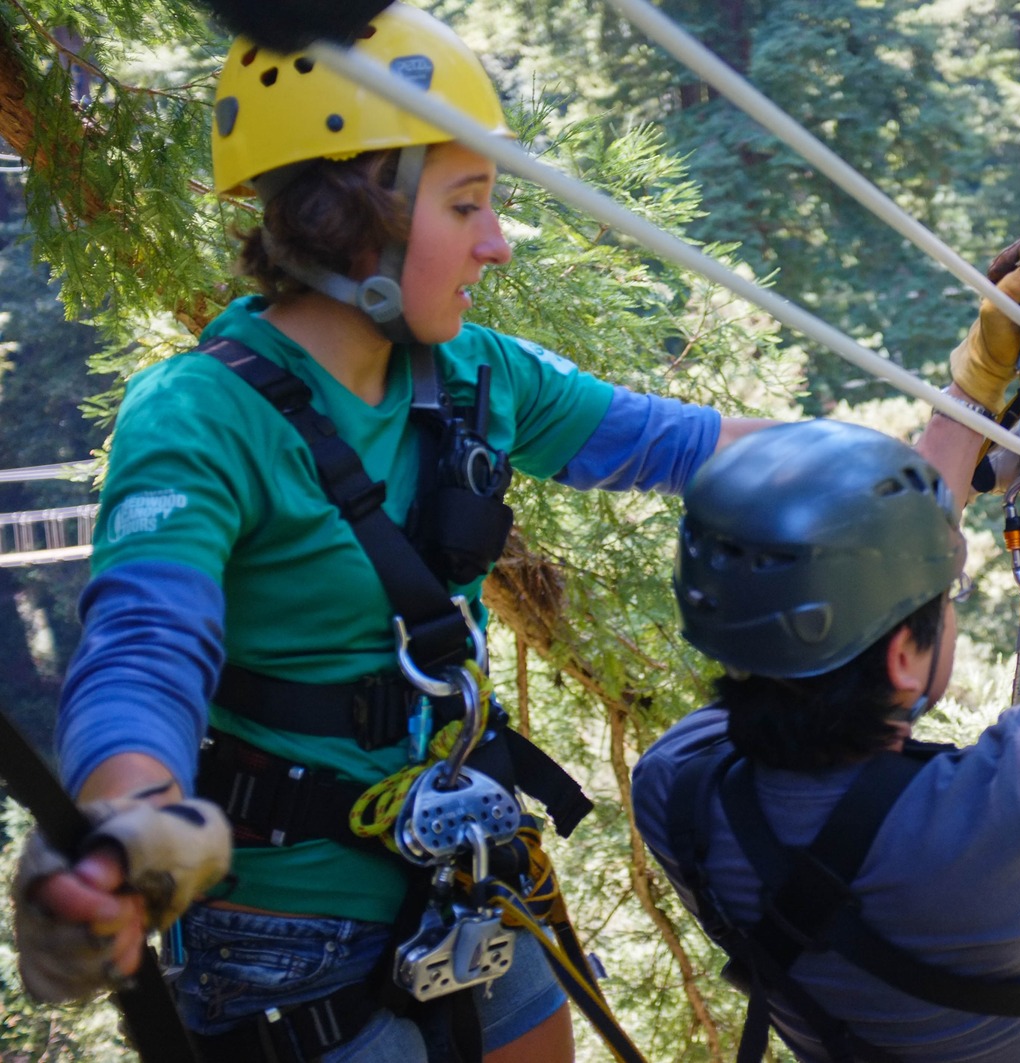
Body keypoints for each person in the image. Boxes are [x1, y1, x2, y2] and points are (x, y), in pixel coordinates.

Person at [6, 6, 774, 1061]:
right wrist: (130, 820)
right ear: (349, 224)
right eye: (468, 205)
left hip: (472, 880)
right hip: (284, 948)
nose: (497, 245)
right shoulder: (199, 416)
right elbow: (144, 646)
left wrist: (949, 442)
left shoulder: (474, 376)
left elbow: (699, 447)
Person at [631, 228, 1020, 1062]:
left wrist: (976, 382)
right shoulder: (1018, 810)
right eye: (947, 586)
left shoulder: (679, 792)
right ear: (903, 656)